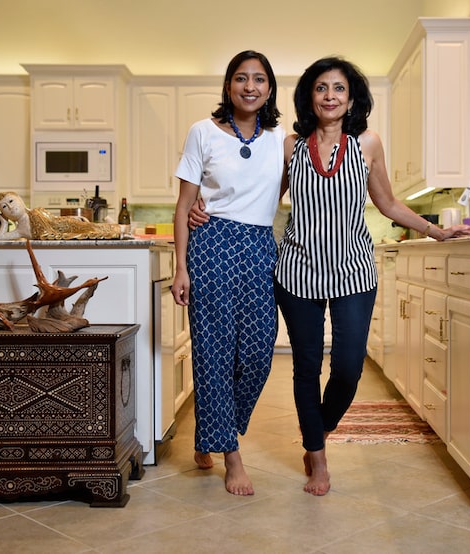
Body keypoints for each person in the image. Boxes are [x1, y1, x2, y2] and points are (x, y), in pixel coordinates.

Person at [190, 57, 470, 496]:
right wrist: (204, 207)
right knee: (305, 368)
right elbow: (256, 191)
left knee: (347, 367)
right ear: (309, 97)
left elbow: (389, 204)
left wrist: (438, 231)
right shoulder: (290, 146)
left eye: (338, 88)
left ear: (351, 97)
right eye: (320, 88)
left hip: (353, 271)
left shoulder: (368, 144)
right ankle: (317, 459)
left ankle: (317, 432)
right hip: (297, 272)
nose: (329, 96)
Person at [172, 50, 285, 496]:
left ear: (270, 89)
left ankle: (211, 431)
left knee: (258, 352)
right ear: (228, 85)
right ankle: (230, 454)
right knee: (214, 353)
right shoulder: (202, 132)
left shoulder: (282, 140)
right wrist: (180, 267)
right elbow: (183, 208)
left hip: (260, 247)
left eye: (259, 79)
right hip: (211, 244)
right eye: (241, 78)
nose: (250, 86)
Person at [0, 191, 121, 240]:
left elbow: (54, 220)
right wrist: (4, 222)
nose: (10, 207)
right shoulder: (20, 230)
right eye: (4, 207)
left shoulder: (36, 212)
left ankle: (116, 228)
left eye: (11, 201)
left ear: (20, 200)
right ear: (3, 214)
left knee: (92, 228)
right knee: (90, 232)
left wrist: (71, 219)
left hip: (66, 225)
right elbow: (1, 237)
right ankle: (115, 228)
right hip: (63, 235)